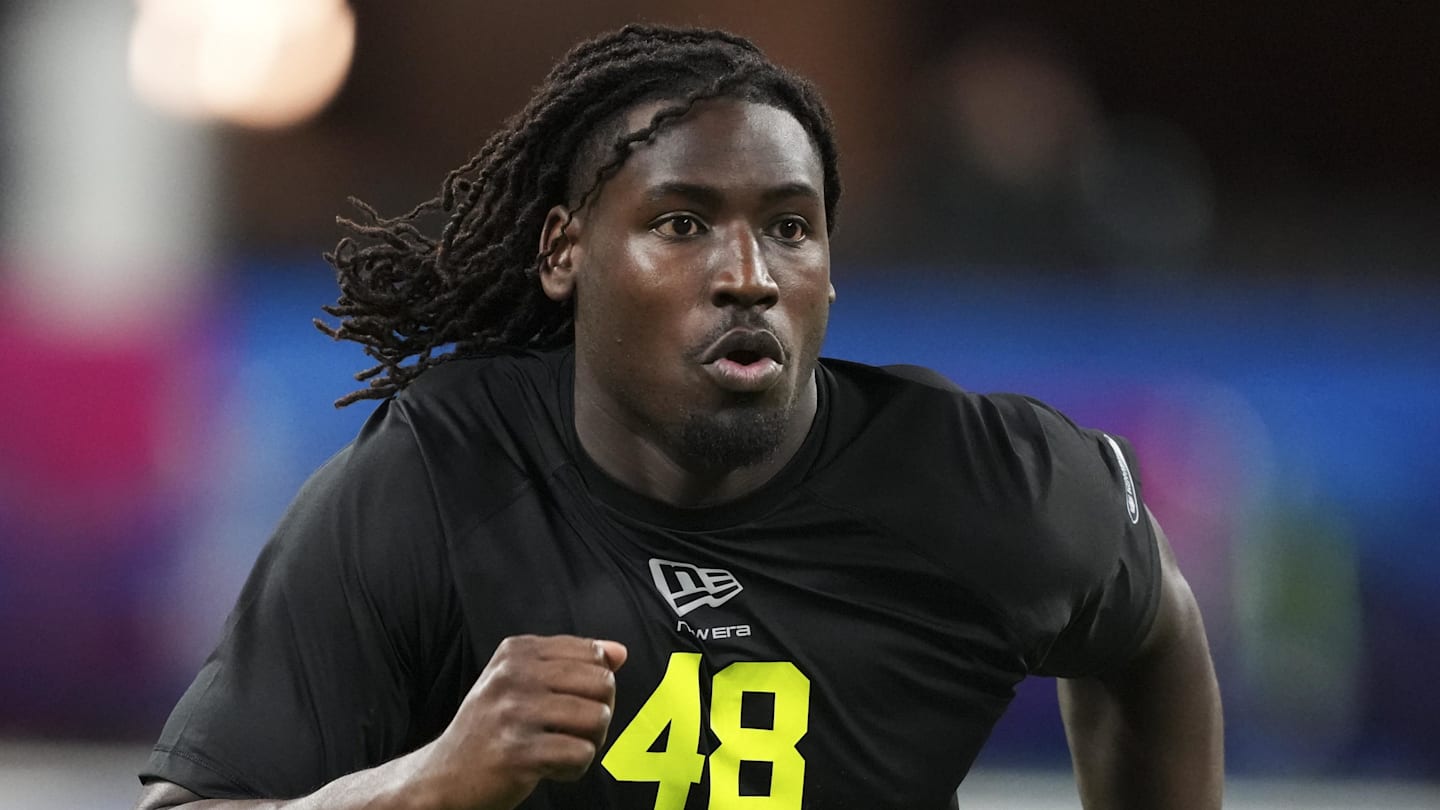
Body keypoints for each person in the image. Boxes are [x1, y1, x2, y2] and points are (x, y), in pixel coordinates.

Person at [135, 23, 1222, 810]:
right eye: (684, 223)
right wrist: (425, 787)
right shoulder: (440, 480)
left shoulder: (981, 482)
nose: (748, 274)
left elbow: (1152, 627)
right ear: (566, 253)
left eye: (791, 228)